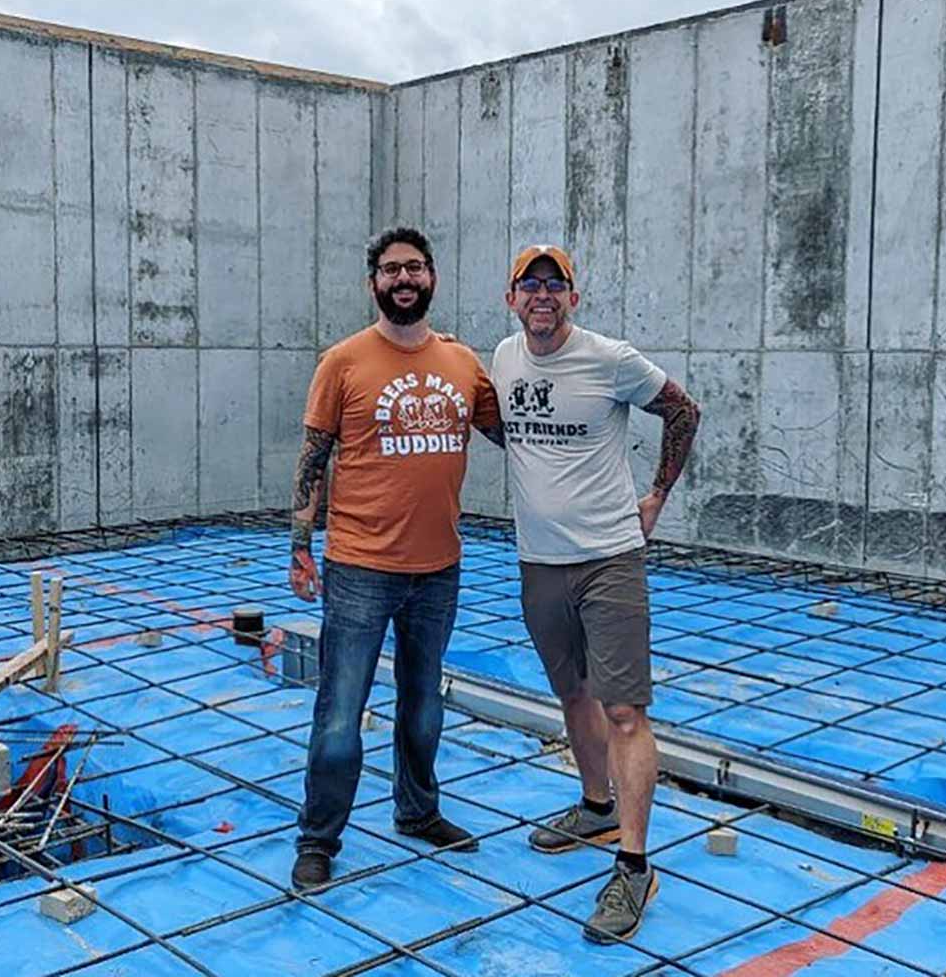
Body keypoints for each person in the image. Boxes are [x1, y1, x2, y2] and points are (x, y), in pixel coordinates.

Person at [491, 244, 701, 943]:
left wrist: (656, 497)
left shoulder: (610, 358)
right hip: (538, 563)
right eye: (531, 284)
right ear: (511, 297)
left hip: (610, 558)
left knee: (624, 710)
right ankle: (594, 803)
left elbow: (683, 411)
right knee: (572, 694)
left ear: (573, 299)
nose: (543, 295)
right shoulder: (503, 358)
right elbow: (512, 432)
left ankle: (634, 865)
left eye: (557, 285)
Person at [288, 226, 503, 891]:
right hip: (359, 567)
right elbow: (313, 458)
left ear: (432, 277)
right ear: (373, 283)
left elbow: (515, 434)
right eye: (390, 270)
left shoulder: (465, 364)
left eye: (414, 268)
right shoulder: (344, 361)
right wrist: (300, 545)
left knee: (422, 705)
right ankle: (319, 839)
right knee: (340, 714)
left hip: (439, 567)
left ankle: (418, 812)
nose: (403, 279)